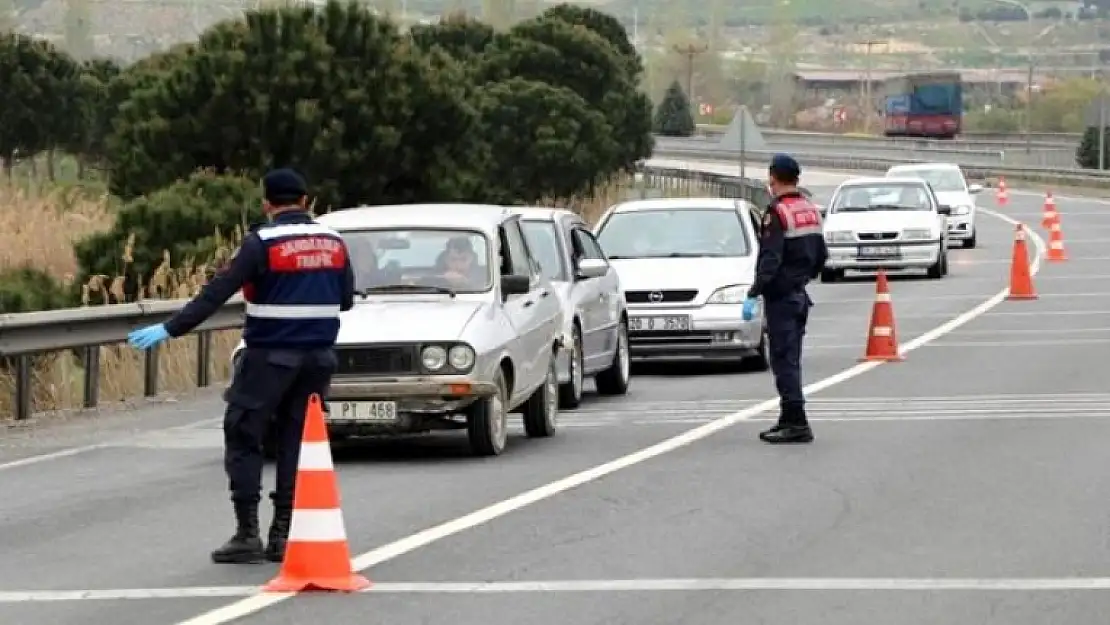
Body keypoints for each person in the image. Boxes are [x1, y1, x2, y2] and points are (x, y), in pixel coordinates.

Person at [126, 168, 355, 563]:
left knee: (244, 434)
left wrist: (171, 328)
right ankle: (283, 533)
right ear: (305, 201)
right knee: (295, 441)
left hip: (269, 357)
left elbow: (216, 293)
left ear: (267, 204)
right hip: (318, 360)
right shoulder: (334, 242)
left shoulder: (261, 243)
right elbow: (347, 299)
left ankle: (247, 532)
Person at [742, 154, 828, 444]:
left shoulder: (777, 213)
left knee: (784, 361)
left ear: (774, 178)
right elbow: (821, 256)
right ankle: (788, 417)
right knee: (790, 358)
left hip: (781, 298)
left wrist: (755, 291)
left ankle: (797, 422)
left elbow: (771, 257)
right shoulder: (810, 210)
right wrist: (802, 277)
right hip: (799, 294)